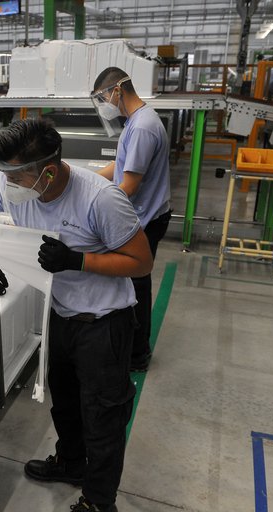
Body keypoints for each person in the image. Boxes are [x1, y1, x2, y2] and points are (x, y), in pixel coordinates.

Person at [0, 118, 153, 512]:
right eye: (4, 174)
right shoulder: (10, 185)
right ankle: (71, 463)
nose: (7, 184)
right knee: (64, 402)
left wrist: (79, 260)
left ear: (47, 172)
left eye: (15, 176)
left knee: (103, 416)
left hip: (103, 323)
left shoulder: (101, 199)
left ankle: (99, 501)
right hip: (59, 313)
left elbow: (141, 262)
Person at [92, 67, 171, 373]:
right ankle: (133, 348)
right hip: (147, 213)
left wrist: (94, 203)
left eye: (103, 98)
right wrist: (84, 179)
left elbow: (129, 185)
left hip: (145, 218)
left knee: (136, 285)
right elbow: (120, 165)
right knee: (134, 283)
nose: (104, 105)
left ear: (117, 90)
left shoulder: (142, 127)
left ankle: (137, 354)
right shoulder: (137, 121)